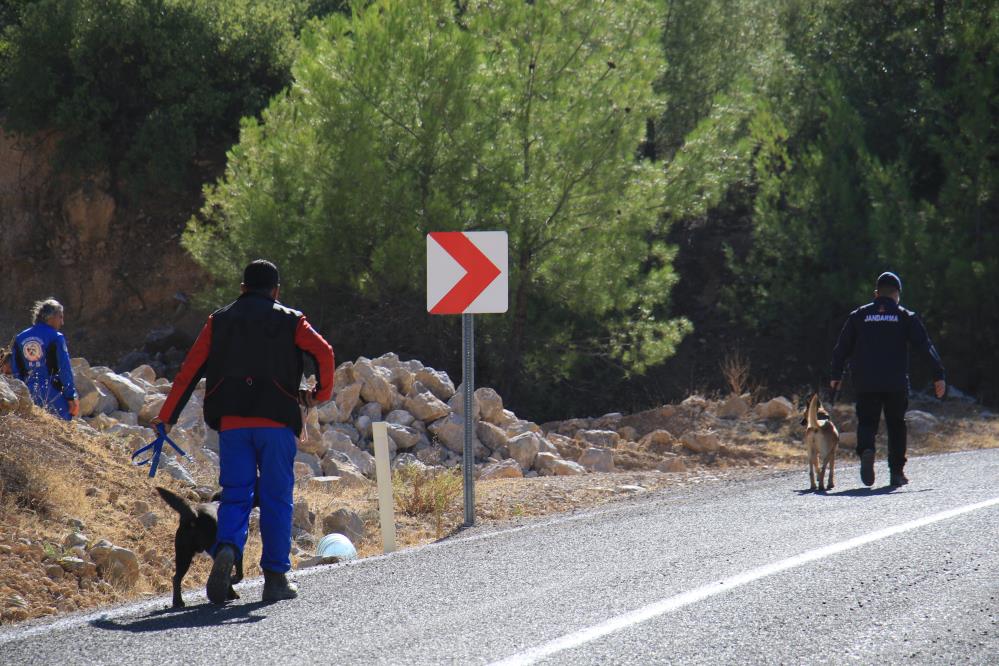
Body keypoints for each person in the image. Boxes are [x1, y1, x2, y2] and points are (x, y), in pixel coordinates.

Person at [153, 260, 335, 604]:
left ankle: (226, 548)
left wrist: (166, 417)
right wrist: (319, 394)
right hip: (277, 424)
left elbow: (188, 371)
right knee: (276, 499)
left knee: (235, 496)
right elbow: (324, 352)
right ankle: (276, 578)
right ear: (276, 291)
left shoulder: (218, 321)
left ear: (241, 288)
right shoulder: (292, 320)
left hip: (234, 424)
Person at [830, 272, 946, 488]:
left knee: (867, 422)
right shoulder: (905, 316)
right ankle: (896, 473)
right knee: (896, 425)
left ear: (876, 294)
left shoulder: (859, 316)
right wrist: (938, 375)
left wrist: (836, 375)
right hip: (895, 382)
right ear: (897, 295)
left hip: (866, 381)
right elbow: (925, 346)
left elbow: (841, 349)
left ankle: (867, 449)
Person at [10, 299, 79, 420]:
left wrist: (20, 394)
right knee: (61, 430)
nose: (62, 322)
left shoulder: (20, 338)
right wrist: (71, 396)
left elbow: (16, 370)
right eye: (60, 317)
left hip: (28, 393)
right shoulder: (56, 337)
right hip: (52, 393)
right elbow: (64, 369)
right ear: (50, 317)